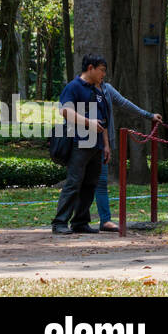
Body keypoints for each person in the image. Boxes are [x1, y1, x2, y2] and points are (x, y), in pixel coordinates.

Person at [93, 60, 162, 232]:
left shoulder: (107, 89)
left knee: (101, 182)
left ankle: (105, 220)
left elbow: (124, 103)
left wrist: (148, 115)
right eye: (101, 70)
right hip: (83, 142)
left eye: (104, 71)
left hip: (102, 142)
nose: (103, 75)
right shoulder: (82, 89)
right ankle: (67, 221)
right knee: (79, 181)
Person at [50, 55, 111, 234]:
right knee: (74, 182)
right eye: (102, 70)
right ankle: (60, 222)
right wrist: (88, 123)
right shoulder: (73, 87)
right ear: (90, 68)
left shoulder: (99, 91)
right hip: (79, 142)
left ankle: (80, 222)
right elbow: (65, 111)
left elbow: (103, 120)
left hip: (97, 146)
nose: (103, 74)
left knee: (90, 184)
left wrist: (106, 145)